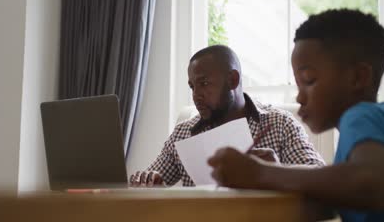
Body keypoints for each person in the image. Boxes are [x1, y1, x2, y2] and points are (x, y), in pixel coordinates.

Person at [208, 10, 384, 221]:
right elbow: (340, 192)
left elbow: (370, 186)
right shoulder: (373, 126)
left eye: (308, 80)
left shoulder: (362, 116)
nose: (299, 97)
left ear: (358, 78)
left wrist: (260, 173)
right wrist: (277, 172)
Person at [129, 45, 324, 187]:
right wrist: (150, 182)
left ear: (232, 80)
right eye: (192, 86)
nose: (196, 94)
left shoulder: (279, 124)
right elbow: (154, 179)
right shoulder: (183, 133)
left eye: (204, 83)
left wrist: (275, 170)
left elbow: (320, 177)